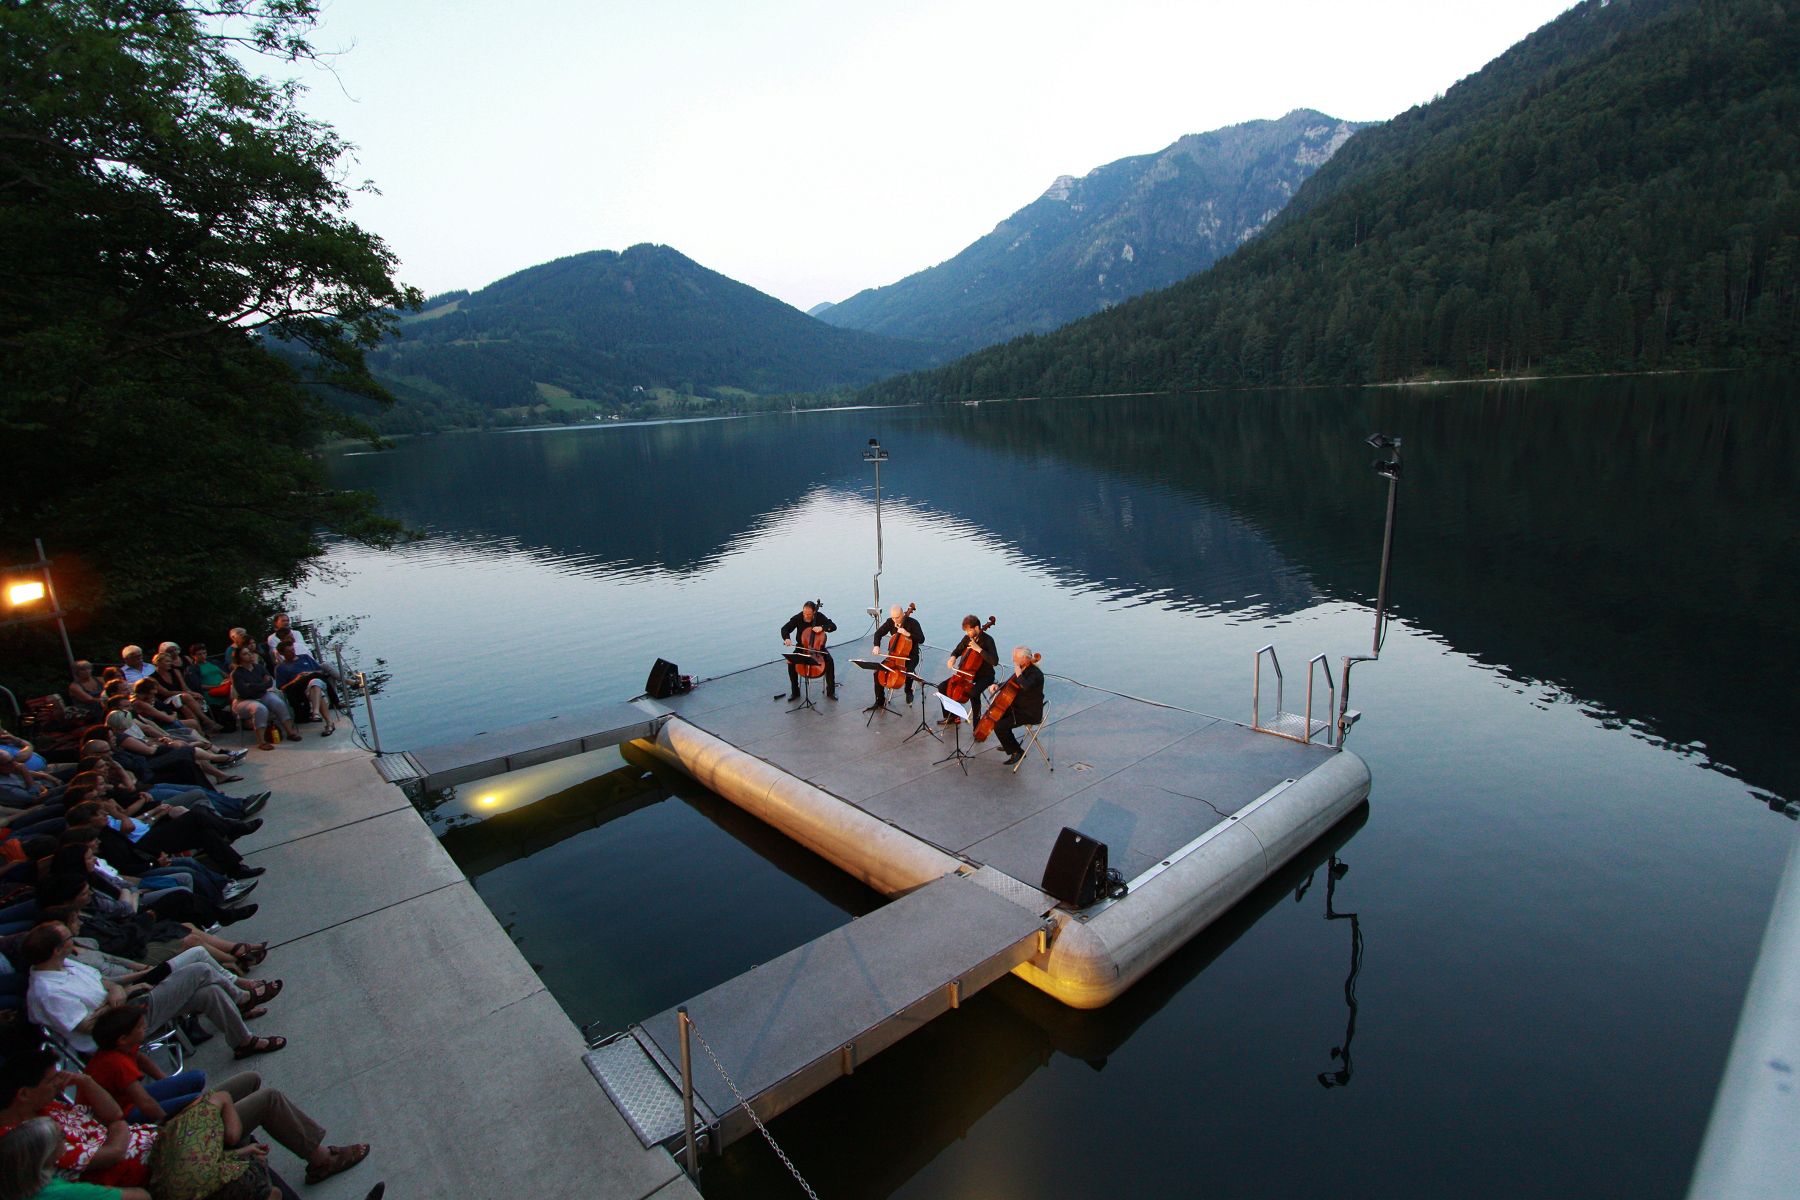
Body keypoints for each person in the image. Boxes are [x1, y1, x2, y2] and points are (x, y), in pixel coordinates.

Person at [23, 922, 285, 1060]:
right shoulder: (48, 993)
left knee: (210, 992)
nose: (73, 942)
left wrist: (121, 987)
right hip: (119, 1029)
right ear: (56, 949)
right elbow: (88, 1027)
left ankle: (243, 1042)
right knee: (198, 970)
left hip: (130, 1002)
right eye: (69, 939)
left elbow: (105, 982)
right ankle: (243, 997)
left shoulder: (66, 964)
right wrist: (121, 996)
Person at [0, 1113, 153, 1199]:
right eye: (61, 1135)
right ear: (47, 1154)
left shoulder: (14, 1185)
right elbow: (142, 1197)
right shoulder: (64, 1193)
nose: (67, 1137)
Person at [226, 649, 297, 751]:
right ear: (239, 658)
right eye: (245, 654)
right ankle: (262, 741)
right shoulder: (236, 674)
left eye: (250, 652)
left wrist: (251, 685)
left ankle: (290, 732)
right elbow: (244, 692)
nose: (249, 655)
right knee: (259, 708)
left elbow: (269, 683)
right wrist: (261, 685)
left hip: (262, 695)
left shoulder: (259, 667)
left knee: (278, 703)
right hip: (243, 701)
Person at [987, 647, 1045, 766]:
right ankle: (1009, 744)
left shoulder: (1035, 674)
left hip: (1029, 712)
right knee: (997, 716)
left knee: (999, 726)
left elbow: (1025, 686)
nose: (1013, 660)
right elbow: (1013, 683)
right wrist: (998, 686)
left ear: (1024, 658)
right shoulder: (1024, 668)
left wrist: (1018, 673)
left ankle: (1017, 751)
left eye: (1016, 658)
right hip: (1019, 708)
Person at [938, 615, 1000, 727]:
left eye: (969, 630)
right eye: (966, 631)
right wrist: (953, 657)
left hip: (985, 676)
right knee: (942, 687)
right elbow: (958, 650)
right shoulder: (967, 638)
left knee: (973, 693)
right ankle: (951, 716)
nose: (967, 633)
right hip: (967, 673)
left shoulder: (988, 640)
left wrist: (979, 649)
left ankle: (977, 725)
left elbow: (994, 661)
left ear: (976, 628)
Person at [271, 642, 335, 735]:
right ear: (282, 654)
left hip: (317, 683)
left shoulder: (305, 657)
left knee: (314, 681)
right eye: (289, 651)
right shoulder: (281, 668)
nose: (293, 652)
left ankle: (316, 712)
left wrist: (310, 674)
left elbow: (320, 671)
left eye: (293, 649)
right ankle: (328, 723)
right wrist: (296, 679)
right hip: (301, 690)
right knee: (315, 686)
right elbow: (281, 687)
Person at [779, 601, 837, 702]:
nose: (806, 616)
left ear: (814, 612)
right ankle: (795, 692)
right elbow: (785, 628)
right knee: (791, 662)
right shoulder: (798, 617)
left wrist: (822, 627)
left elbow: (833, 626)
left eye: (809, 614)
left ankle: (831, 692)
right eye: (804, 613)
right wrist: (786, 638)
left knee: (829, 661)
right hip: (802, 647)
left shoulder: (819, 616)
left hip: (818, 649)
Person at [868, 604, 924, 709]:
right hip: (894, 656)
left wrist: (908, 634)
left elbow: (921, 639)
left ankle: (908, 690)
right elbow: (878, 633)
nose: (895, 620)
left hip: (911, 656)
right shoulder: (890, 622)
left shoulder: (913, 623)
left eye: (897, 617)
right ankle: (880, 700)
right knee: (877, 672)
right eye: (893, 617)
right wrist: (876, 646)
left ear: (903, 614)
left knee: (908, 672)